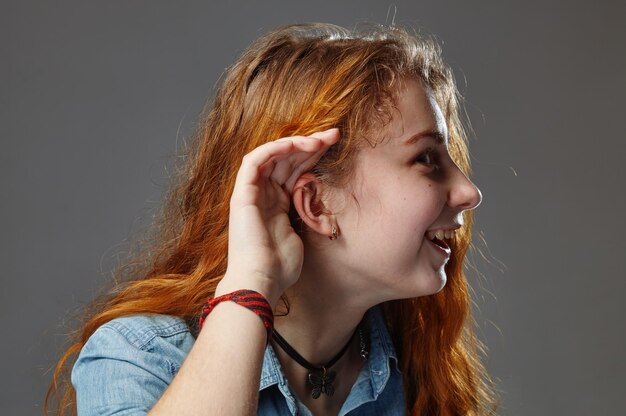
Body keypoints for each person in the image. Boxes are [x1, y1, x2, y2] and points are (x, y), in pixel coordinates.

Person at [46, 23, 497, 415]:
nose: (469, 192)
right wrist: (252, 280)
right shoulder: (140, 357)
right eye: (425, 158)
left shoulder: (418, 368)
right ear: (316, 205)